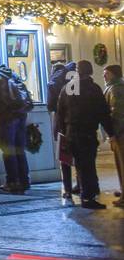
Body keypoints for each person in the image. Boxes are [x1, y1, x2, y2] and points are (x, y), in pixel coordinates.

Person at [56, 60, 116, 210]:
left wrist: (61, 132)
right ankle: (88, 198)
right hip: (87, 133)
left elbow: (60, 112)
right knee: (87, 165)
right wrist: (111, 133)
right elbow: (103, 113)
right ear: (89, 71)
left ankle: (89, 191)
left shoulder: (67, 88)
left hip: (70, 132)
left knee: (80, 165)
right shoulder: (93, 89)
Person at [0, 58, 32, 193]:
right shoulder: (12, 74)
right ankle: (24, 180)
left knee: (8, 150)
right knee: (19, 149)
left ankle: (12, 182)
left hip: (5, 118)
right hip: (20, 116)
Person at [47, 61, 76, 199]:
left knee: (64, 158)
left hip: (61, 123)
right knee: (80, 156)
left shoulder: (55, 80)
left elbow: (50, 105)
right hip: (76, 122)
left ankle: (68, 189)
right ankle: (82, 185)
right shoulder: (73, 78)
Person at [103, 64, 124, 207]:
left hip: (121, 133)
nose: (104, 76)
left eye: (106, 74)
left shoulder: (116, 89)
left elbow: (117, 114)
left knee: (122, 164)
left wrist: (113, 134)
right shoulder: (115, 87)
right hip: (119, 132)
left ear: (113, 74)